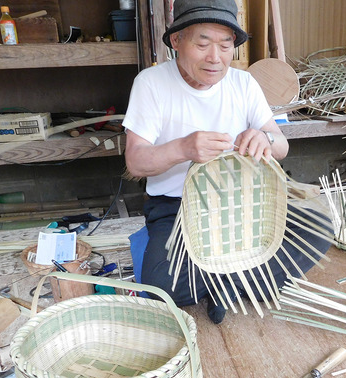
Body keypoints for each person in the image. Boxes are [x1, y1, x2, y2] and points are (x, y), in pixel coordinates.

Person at [123, 0, 330, 324]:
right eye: (203, 43)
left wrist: (266, 140)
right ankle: (244, 279)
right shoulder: (151, 84)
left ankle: (221, 282)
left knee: (317, 230)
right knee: (159, 283)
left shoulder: (243, 83)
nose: (215, 57)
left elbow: (282, 144)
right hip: (177, 210)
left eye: (225, 45)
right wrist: (183, 148)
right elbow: (135, 162)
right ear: (176, 41)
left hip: (243, 203)